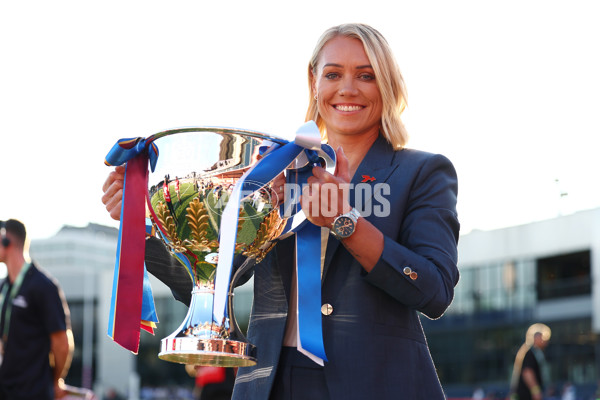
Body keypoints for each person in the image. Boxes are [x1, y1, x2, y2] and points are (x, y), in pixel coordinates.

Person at [102, 23, 460, 399]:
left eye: (366, 76)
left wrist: (347, 222)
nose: (348, 89)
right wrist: (141, 222)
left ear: (386, 85)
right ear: (314, 82)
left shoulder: (423, 171)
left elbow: (434, 290)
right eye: (333, 74)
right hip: (270, 383)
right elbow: (211, 277)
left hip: (378, 383)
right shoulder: (274, 171)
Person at [0, 219, 74, 399]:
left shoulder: (43, 286)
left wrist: (55, 381)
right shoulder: (3, 287)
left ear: (6, 240)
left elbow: (62, 343)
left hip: (34, 391)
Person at [510, 323, 551, 400]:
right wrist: (535, 391)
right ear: (536, 338)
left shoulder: (534, 352)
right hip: (526, 395)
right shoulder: (530, 353)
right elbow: (527, 372)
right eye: (544, 338)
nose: (546, 341)